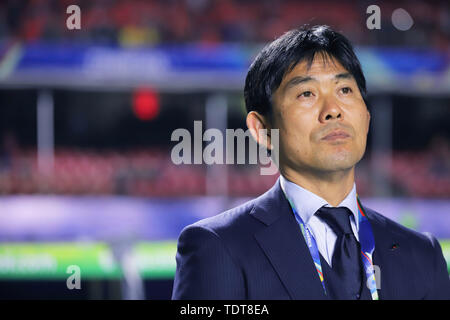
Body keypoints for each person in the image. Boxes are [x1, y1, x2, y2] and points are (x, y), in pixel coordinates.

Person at [171, 25, 450, 300]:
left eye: (344, 90)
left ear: (366, 116)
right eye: (307, 94)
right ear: (262, 130)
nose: (333, 111)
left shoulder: (422, 255)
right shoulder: (217, 247)